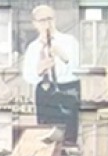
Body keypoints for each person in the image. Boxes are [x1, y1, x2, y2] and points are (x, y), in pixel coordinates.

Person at [21, 4, 80, 145]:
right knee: (46, 131)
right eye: (42, 20)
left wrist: (59, 53)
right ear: (35, 24)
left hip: (67, 89)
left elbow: (76, 67)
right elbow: (28, 76)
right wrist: (39, 70)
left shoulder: (68, 41)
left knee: (68, 133)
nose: (47, 24)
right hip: (45, 91)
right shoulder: (33, 47)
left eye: (50, 19)